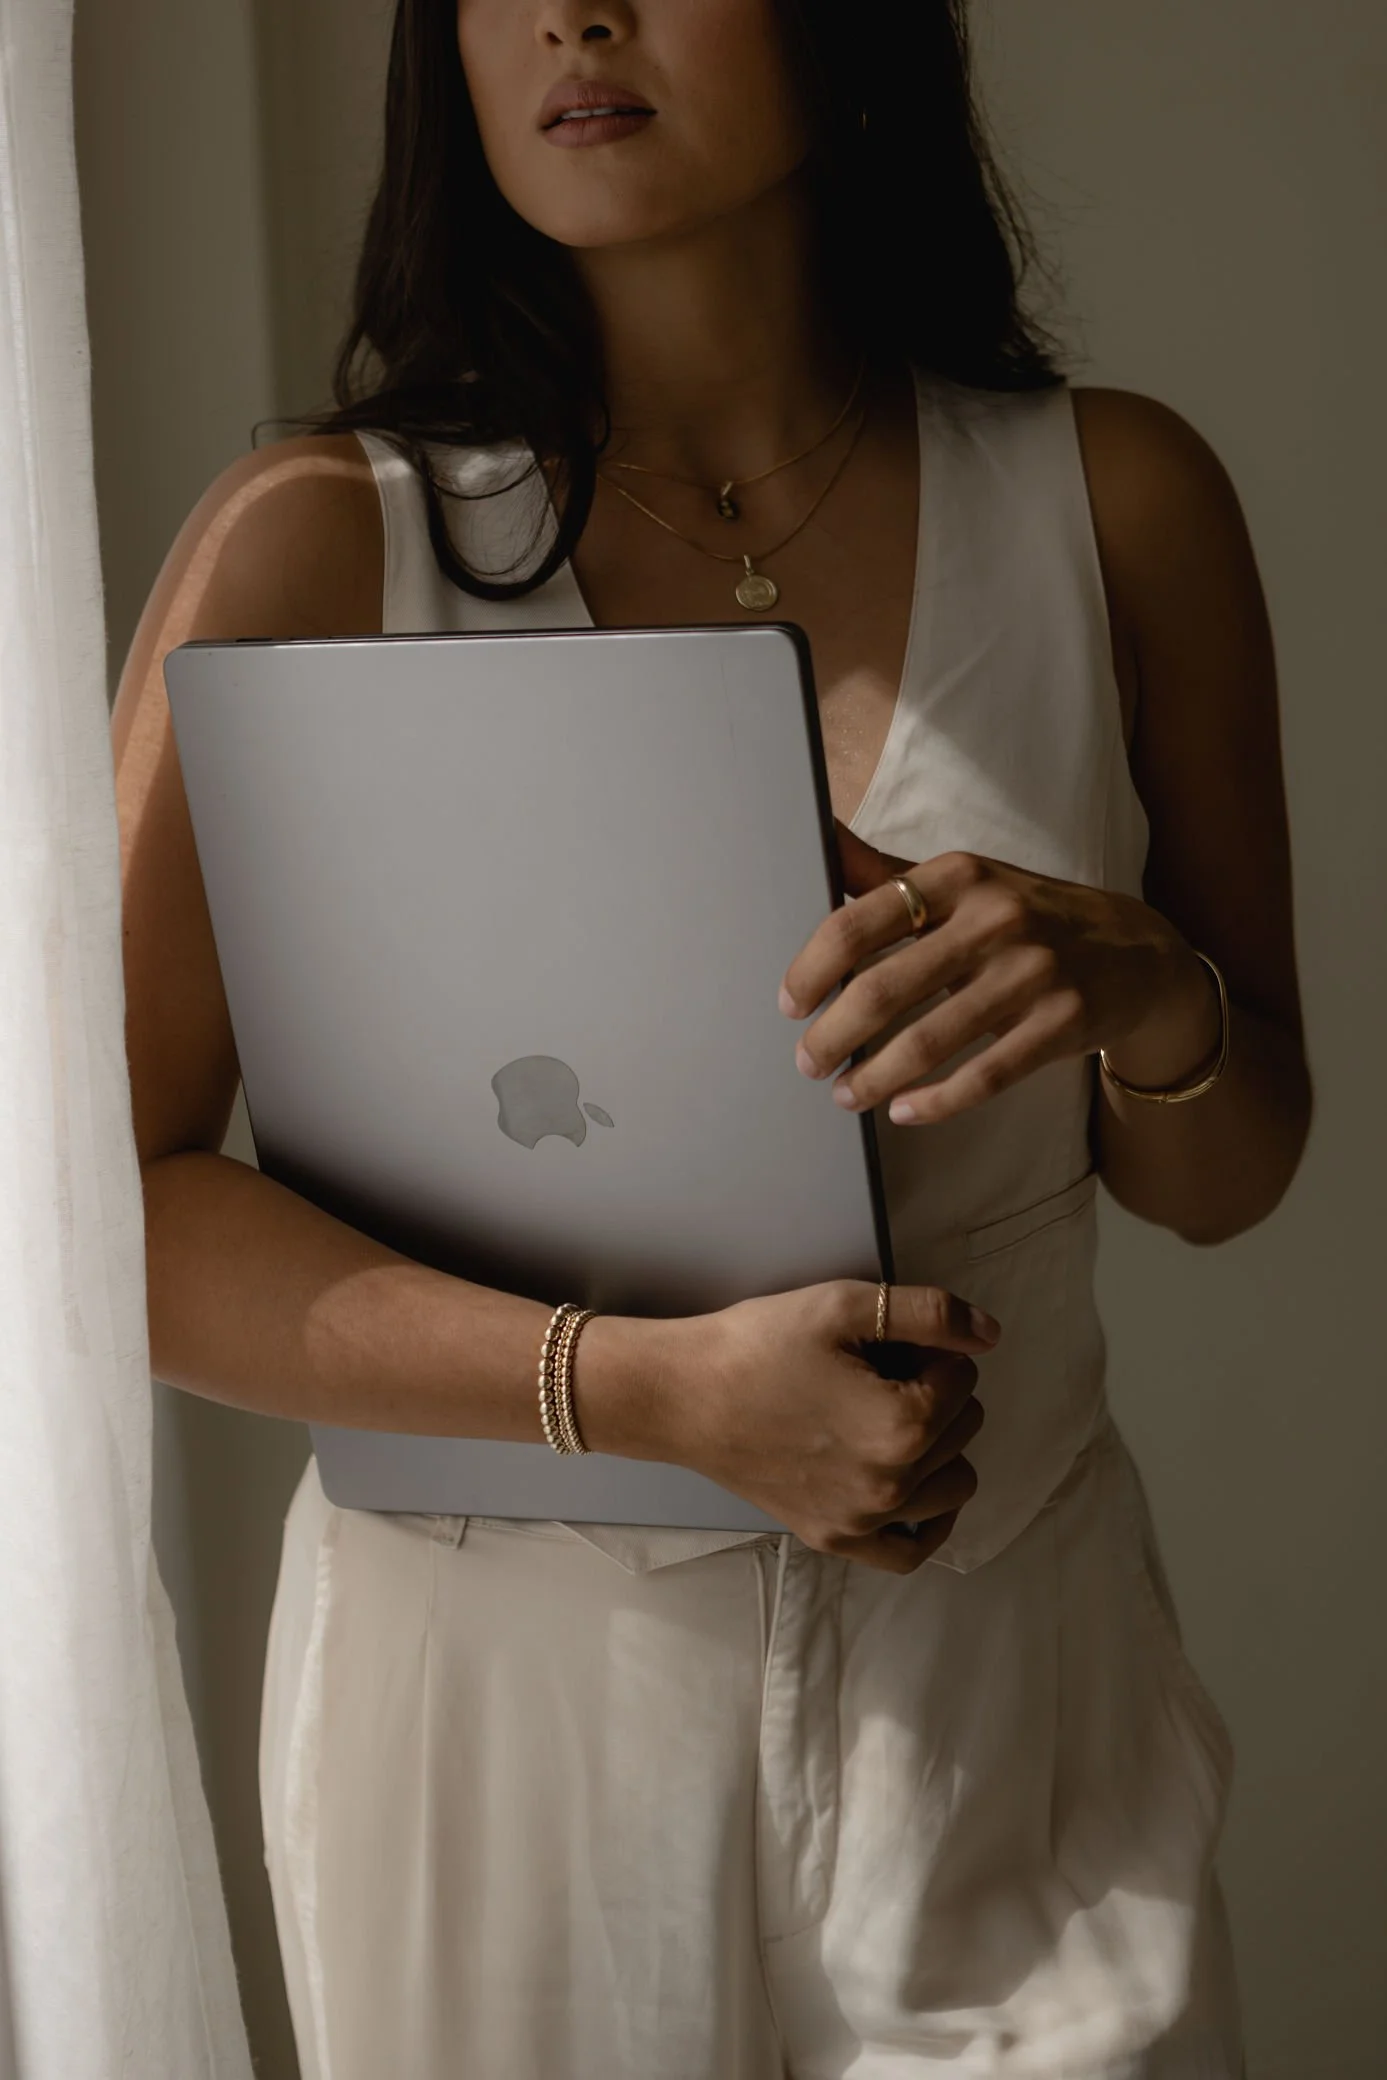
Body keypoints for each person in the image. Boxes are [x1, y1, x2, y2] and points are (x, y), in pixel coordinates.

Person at [112, 1, 1311, 2074]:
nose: (571, 14)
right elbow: (82, 1216)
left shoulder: (1116, 498)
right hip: (498, 1725)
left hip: (1008, 1691)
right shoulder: (307, 542)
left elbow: (1229, 1175)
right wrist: (647, 1391)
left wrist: (1140, 987)